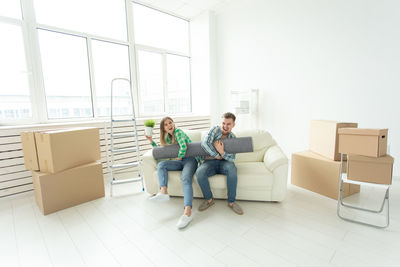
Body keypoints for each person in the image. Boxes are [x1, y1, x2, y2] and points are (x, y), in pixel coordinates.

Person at [145, 117, 198, 229]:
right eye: (166, 124)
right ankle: (164, 192)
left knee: (185, 178)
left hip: (190, 159)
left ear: (174, 123)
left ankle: (187, 213)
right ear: (163, 128)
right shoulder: (168, 138)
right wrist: (151, 141)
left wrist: (179, 156)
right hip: (179, 161)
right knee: (161, 165)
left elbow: (183, 146)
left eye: (170, 122)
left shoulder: (178, 132)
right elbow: (162, 151)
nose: (169, 125)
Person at [195, 112, 243, 215]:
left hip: (225, 163)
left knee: (232, 170)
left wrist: (222, 152)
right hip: (209, 162)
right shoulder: (215, 130)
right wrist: (216, 155)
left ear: (233, 125)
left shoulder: (233, 138)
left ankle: (231, 202)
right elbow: (204, 143)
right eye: (223, 123)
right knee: (200, 172)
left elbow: (232, 158)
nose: (225, 126)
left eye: (228, 124)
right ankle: (209, 200)